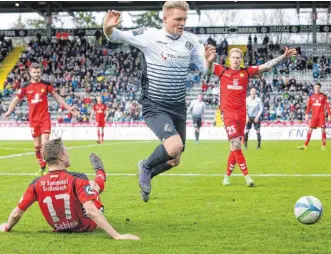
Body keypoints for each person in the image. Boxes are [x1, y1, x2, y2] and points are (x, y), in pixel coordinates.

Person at [103, 1, 214, 202]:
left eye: (185, 19)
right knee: (173, 147)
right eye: (178, 19)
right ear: (165, 18)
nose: (182, 23)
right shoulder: (150, 35)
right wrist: (107, 27)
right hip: (155, 105)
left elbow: (205, 71)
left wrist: (209, 62)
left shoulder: (192, 41)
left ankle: (148, 173)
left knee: (174, 159)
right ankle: (145, 166)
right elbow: (116, 36)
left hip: (178, 106)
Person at [0, 138, 140, 240]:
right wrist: (117, 235)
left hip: (60, 227)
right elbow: (90, 211)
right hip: (85, 225)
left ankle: (99, 174)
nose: (69, 154)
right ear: (61, 155)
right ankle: (100, 173)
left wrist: (7, 226)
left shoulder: (36, 183)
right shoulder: (77, 178)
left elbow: (16, 213)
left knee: (85, 186)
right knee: (92, 186)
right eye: (67, 151)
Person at [205, 47, 296, 187]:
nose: (235, 60)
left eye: (238, 58)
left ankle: (226, 176)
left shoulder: (246, 72)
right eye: (233, 57)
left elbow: (266, 66)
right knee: (236, 143)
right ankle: (247, 176)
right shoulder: (222, 70)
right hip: (227, 113)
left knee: (233, 147)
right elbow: (208, 69)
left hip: (241, 114)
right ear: (229, 59)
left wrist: (283, 57)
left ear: (241, 59)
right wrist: (209, 61)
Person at [3, 63, 79, 176]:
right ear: (30, 73)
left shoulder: (46, 85)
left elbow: (57, 97)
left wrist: (69, 108)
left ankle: (50, 168)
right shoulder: (25, 87)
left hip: (44, 118)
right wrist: (9, 111)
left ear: (40, 72)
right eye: (34, 72)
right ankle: (42, 167)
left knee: (45, 144)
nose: (36, 74)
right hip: (33, 120)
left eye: (38, 72)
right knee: (37, 146)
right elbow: (16, 99)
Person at [298, 82, 331, 150]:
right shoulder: (311, 96)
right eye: (316, 87)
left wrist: (329, 114)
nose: (317, 89)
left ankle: (323, 146)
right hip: (314, 116)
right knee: (310, 130)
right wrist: (306, 114)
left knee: (323, 130)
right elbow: (308, 106)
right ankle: (305, 145)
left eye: (318, 88)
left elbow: (327, 106)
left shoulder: (324, 96)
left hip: (321, 115)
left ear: (320, 88)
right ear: (314, 88)